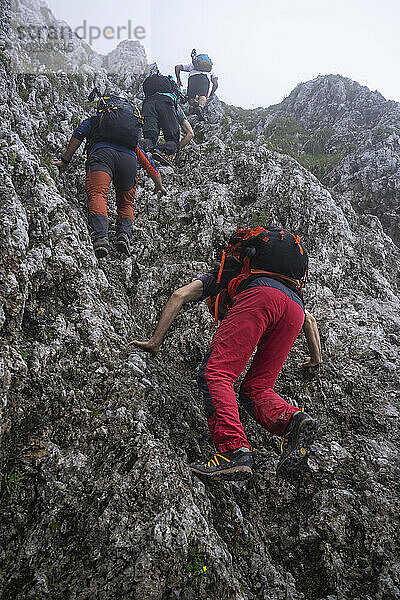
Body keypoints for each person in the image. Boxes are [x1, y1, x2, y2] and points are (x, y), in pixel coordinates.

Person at [130, 231, 322, 481]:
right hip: (295, 310)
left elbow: (179, 295)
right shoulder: (287, 282)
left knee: (216, 373)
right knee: (257, 389)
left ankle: (234, 451)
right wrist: (316, 358)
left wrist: (155, 341)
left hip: (260, 299)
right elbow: (309, 319)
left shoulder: (224, 275)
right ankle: (293, 422)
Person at [53, 100, 167, 259]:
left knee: (98, 194)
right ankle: (124, 236)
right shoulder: (128, 134)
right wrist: (158, 184)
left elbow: (78, 135)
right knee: (126, 203)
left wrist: (65, 161)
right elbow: (146, 161)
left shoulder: (94, 121)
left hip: (102, 156)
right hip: (128, 161)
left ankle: (101, 238)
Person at [142, 73, 194, 168]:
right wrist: (174, 149)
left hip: (147, 104)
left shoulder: (150, 97)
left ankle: (140, 148)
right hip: (165, 103)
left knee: (149, 139)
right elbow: (190, 134)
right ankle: (160, 150)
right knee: (173, 140)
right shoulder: (175, 104)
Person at [175, 50, 218, 121]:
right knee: (203, 96)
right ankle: (200, 107)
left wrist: (178, 80)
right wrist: (211, 93)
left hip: (192, 78)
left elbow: (177, 67)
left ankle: (195, 106)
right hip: (204, 78)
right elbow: (215, 84)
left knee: (191, 98)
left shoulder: (192, 66)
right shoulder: (210, 71)